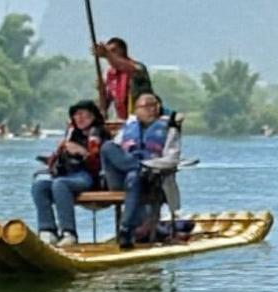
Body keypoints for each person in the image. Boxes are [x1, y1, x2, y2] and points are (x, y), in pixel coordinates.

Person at [100, 92, 179, 249]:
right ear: (136, 110)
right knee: (107, 147)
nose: (152, 110)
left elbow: (172, 159)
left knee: (134, 176)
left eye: (154, 105)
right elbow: (116, 152)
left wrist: (148, 165)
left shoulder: (169, 130)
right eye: (146, 106)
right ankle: (136, 168)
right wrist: (138, 165)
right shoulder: (127, 129)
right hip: (120, 177)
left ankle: (126, 229)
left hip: (149, 179)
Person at [31, 100, 109, 247]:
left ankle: (69, 233)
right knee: (39, 186)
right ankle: (48, 231)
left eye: (83, 115)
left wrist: (83, 152)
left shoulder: (99, 134)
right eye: (76, 115)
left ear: (92, 116)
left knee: (60, 184)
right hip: (67, 175)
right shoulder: (72, 134)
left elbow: (99, 164)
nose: (79, 118)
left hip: (88, 176)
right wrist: (53, 158)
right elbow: (60, 160)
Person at [94, 37, 153, 120]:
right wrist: (101, 90)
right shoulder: (109, 75)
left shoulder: (138, 68)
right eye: (108, 51)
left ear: (123, 51)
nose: (110, 54)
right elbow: (103, 105)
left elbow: (122, 66)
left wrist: (107, 54)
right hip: (123, 121)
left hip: (143, 119)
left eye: (113, 51)